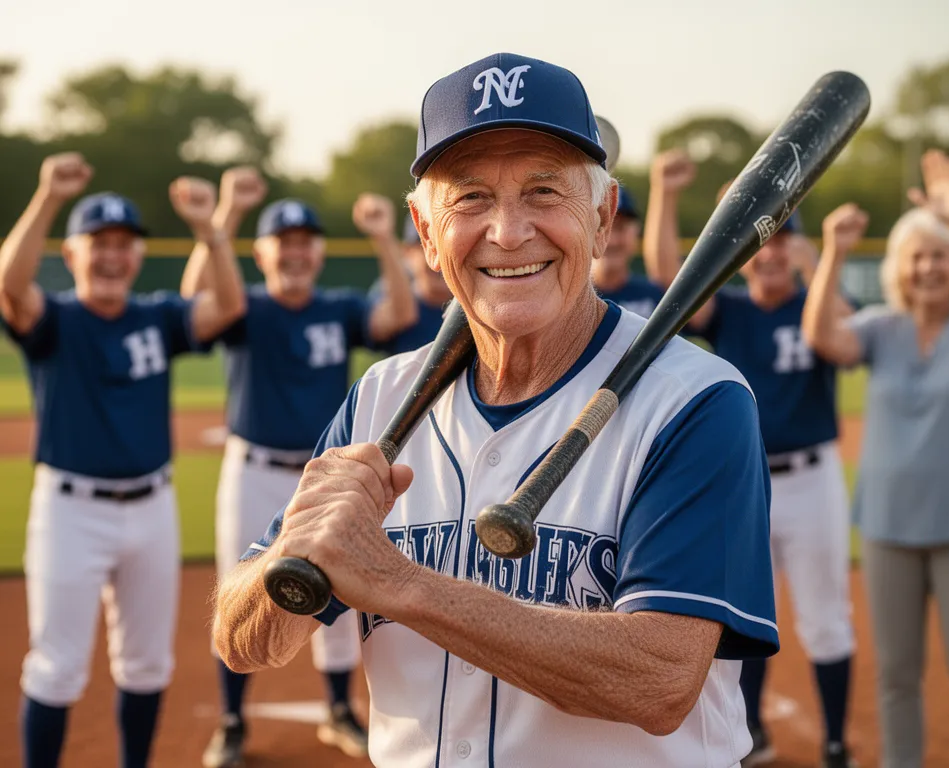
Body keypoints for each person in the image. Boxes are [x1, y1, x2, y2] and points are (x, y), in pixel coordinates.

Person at [212, 52, 779, 768]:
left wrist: (396, 582)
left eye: (544, 191)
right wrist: (294, 557)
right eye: (471, 198)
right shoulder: (382, 401)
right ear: (424, 232)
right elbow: (241, 640)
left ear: (603, 216)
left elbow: (659, 678)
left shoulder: (694, 402)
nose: (508, 232)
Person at [0, 153, 246, 768]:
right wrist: (48, 198)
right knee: (56, 665)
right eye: (98, 243)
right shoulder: (55, 320)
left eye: (124, 244)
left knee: (147, 661)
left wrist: (212, 231)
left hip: (152, 507)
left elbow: (227, 307)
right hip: (70, 512)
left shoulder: (156, 316)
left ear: (138, 256)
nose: (113, 255)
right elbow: (9, 283)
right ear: (72, 256)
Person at [179, 171, 418, 767]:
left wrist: (387, 239)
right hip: (254, 468)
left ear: (318, 252)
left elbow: (397, 313)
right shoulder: (244, 307)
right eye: (281, 240)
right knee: (243, 585)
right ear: (260, 254)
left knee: (336, 591)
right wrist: (222, 219)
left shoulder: (337, 307)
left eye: (306, 239)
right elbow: (195, 303)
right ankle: (232, 721)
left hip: (324, 472)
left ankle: (339, 710)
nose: (294, 249)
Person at [802, 149, 949, 768]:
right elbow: (824, 337)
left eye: (941, 256)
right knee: (896, 676)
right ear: (902, 266)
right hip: (889, 527)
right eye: (919, 256)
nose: (929, 268)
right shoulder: (881, 328)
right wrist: (834, 253)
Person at [653, 174, 859, 766]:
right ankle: (753, 734)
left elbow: (842, 325)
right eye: (760, 245)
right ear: (743, 258)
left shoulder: (815, 305)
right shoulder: (731, 313)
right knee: (739, 616)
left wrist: (821, 258)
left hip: (813, 480)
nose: (769, 254)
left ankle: (837, 741)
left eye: (781, 242)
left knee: (826, 618)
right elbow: (675, 279)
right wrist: (667, 198)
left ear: (795, 252)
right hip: (746, 485)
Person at [590, 149, 696, 318]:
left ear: (636, 232)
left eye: (621, 228)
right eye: (602, 227)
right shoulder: (566, 299)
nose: (613, 240)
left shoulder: (655, 296)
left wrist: (666, 190)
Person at [359, 203, 453, 355]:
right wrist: (384, 237)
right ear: (408, 253)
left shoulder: (478, 306)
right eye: (429, 246)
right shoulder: (395, 298)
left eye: (447, 245)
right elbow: (400, 316)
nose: (440, 258)